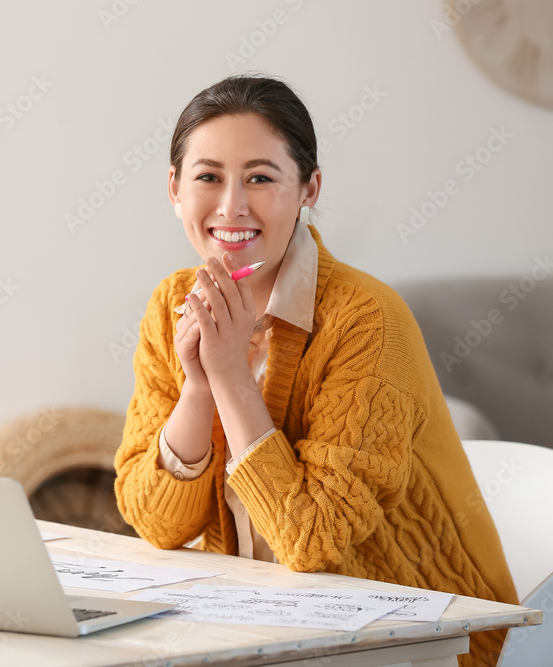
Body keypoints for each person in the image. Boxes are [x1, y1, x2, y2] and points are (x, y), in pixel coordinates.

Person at [113, 74, 516, 667]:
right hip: (265, 629)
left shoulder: (367, 320)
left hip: (418, 638)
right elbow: (155, 522)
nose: (231, 205)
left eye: (260, 177)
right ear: (174, 189)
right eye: (208, 177)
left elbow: (311, 540)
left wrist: (227, 376)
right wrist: (198, 388)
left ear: (308, 188)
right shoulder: (170, 303)